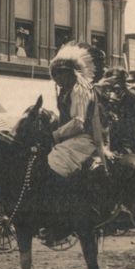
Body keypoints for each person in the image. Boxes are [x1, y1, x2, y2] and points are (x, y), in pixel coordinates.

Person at [46, 41, 109, 178]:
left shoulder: (80, 89)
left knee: (55, 161)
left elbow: (78, 123)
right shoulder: (65, 91)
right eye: (54, 74)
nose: (56, 78)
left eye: (60, 73)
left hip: (85, 139)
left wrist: (55, 134)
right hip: (70, 138)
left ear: (70, 73)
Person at [97, 67, 135, 155]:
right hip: (134, 145)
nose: (112, 92)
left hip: (130, 146)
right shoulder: (132, 93)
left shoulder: (129, 96)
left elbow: (128, 124)